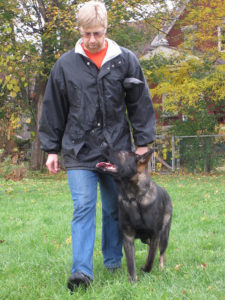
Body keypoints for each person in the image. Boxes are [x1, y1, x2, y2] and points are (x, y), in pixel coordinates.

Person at [39, 0, 155, 292]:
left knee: (116, 207)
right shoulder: (65, 65)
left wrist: (142, 143)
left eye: (98, 33)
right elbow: (54, 108)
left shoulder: (125, 60)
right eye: (86, 33)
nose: (92, 39)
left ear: (106, 29)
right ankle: (81, 272)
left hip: (117, 150)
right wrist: (51, 149)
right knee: (83, 206)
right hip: (79, 150)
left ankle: (113, 261)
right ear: (79, 30)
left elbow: (139, 104)